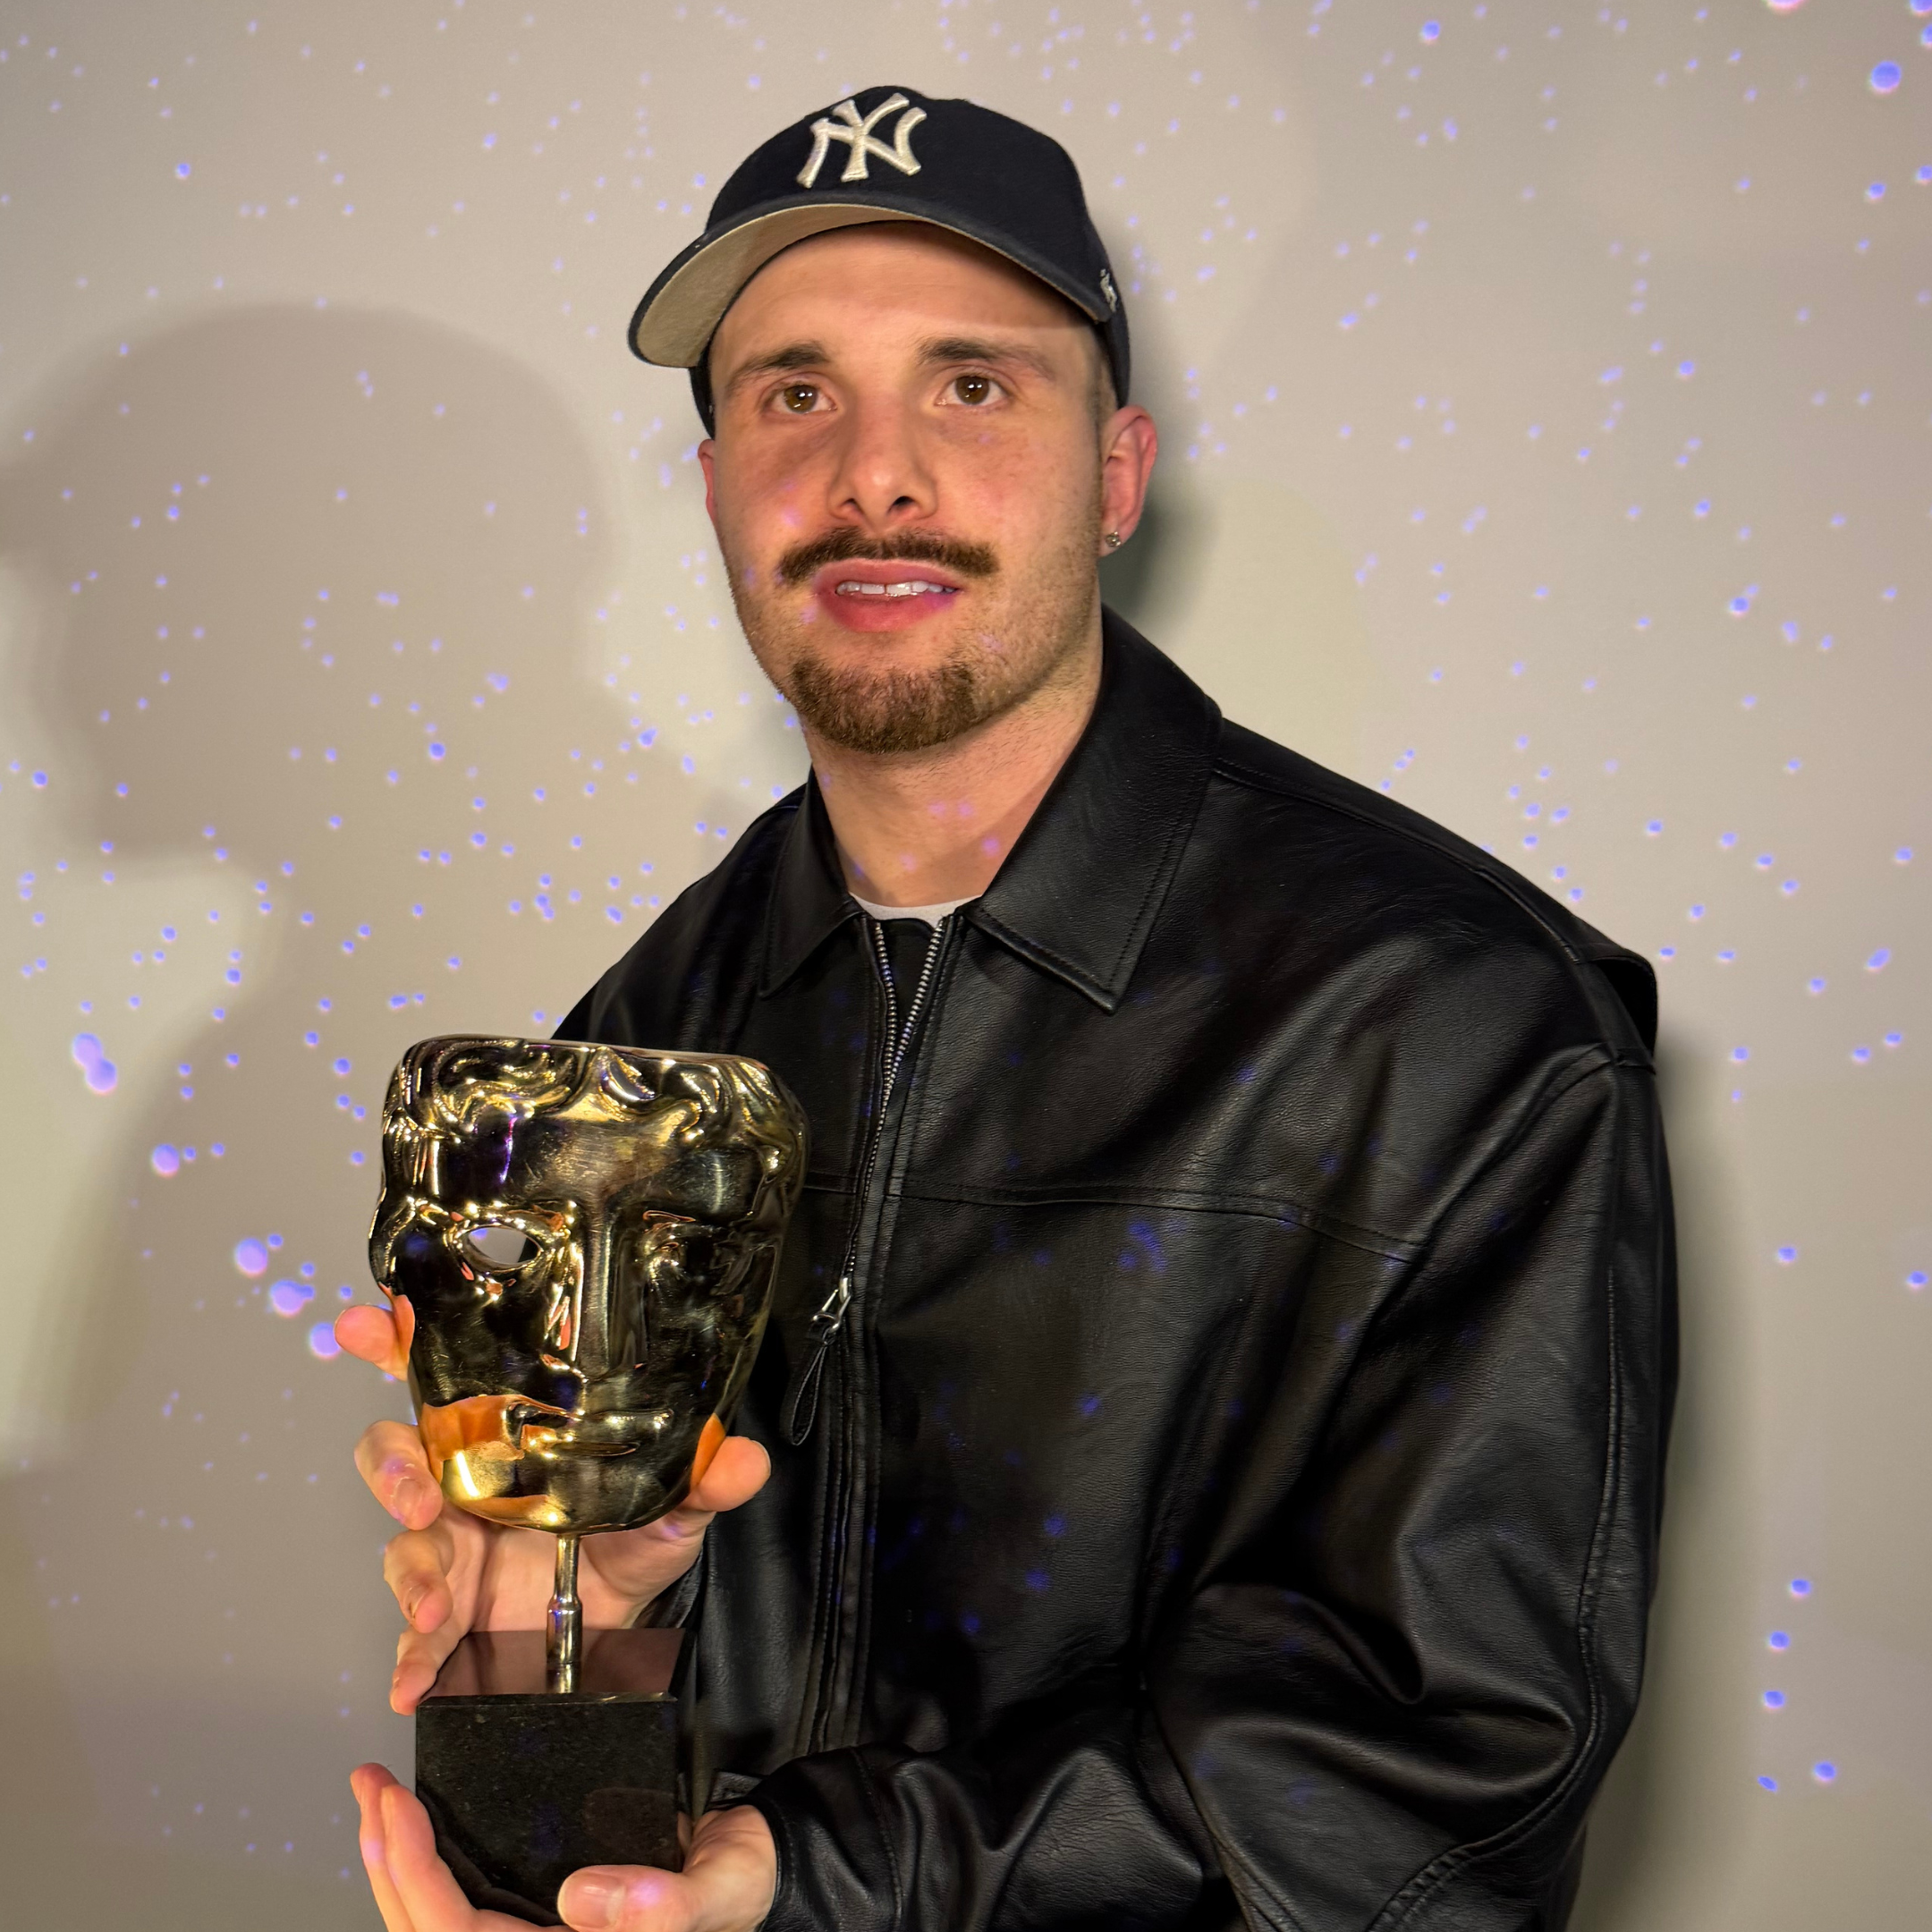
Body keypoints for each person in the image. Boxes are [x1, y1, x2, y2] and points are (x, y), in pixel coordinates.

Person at [339, 87, 1676, 1932]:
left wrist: (816, 1882)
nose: (873, 476)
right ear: (718, 476)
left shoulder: (1448, 1018)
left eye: (973, 385)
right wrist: (582, 1635)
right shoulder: (645, 1035)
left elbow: (1444, 1773)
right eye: (793, 393)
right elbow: (642, 1741)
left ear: (1117, 475)